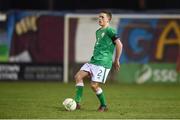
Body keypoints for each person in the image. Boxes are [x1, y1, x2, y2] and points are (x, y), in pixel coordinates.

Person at [74, 10, 123, 112]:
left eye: (102, 17)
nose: (100, 19)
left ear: (108, 19)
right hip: (93, 61)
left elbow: (119, 44)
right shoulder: (98, 31)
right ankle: (77, 103)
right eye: (99, 17)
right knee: (78, 76)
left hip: (103, 63)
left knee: (94, 85)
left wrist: (117, 59)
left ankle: (104, 105)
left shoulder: (110, 30)